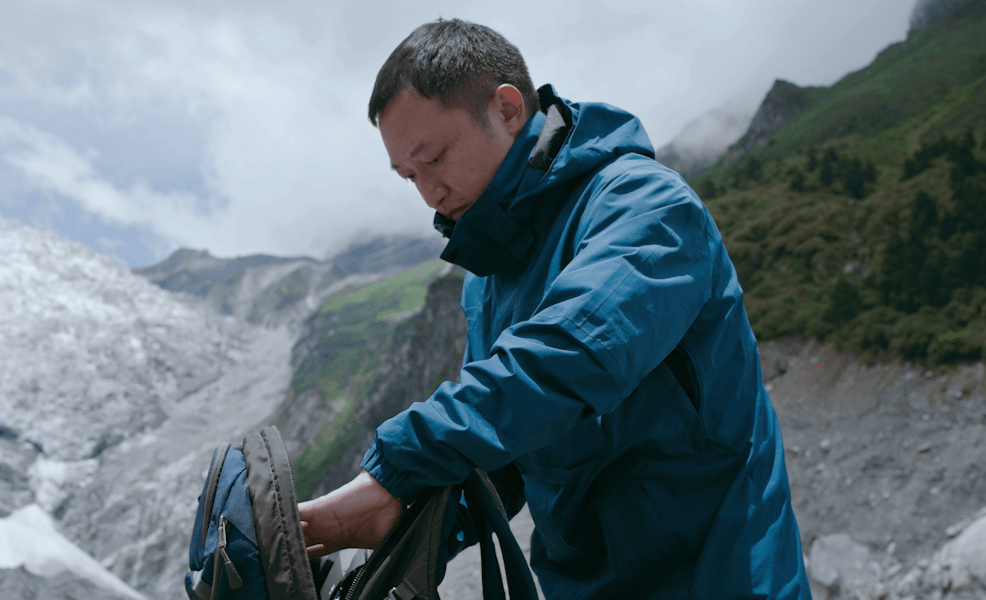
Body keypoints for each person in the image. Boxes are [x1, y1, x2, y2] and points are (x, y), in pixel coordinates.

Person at [299, 19, 810, 599]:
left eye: (434, 158)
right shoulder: (487, 281)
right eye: (409, 176)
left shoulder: (648, 206)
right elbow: (503, 457)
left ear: (507, 109)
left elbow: (569, 356)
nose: (428, 193)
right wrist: (404, 529)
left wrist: (397, 464)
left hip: (722, 576)